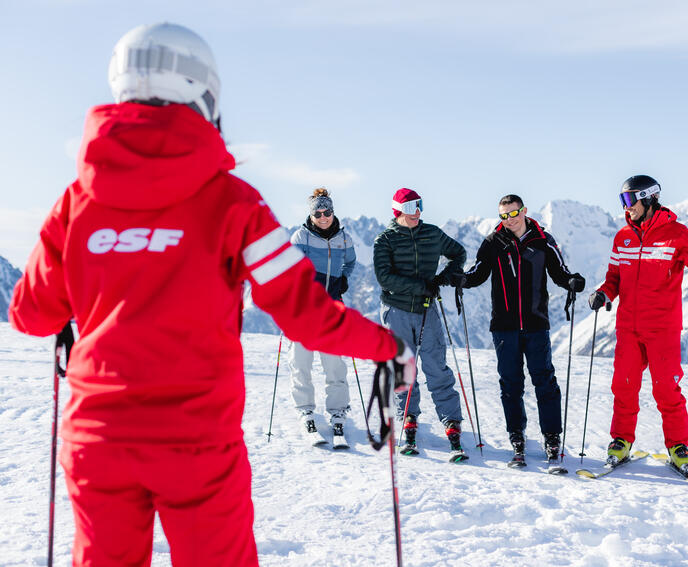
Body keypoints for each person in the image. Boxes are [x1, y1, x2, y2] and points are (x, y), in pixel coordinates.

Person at [7, 23, 413, 566]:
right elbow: (305, 314)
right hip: (194, 441)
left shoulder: (76, 203)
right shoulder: (233, 203)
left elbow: (31, 315)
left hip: (96, 439)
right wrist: (386, 346)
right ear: (204, 95)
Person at [587, 175, 688, 473]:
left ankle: (678, 447)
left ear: (649, 198)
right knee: (624, 386)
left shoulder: (676, 234)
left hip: (663, 327)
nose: (625, 207)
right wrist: (604, 293)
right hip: (628, 326)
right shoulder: (622, 238)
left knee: (667, 389)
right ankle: (621, 441)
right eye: (622, 201)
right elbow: (614, 277)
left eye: (629, 200)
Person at [461, 194, 585, 466]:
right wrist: (462, 280)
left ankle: (552, 436)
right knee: (510, 384)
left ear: (524, 211)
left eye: (513, 213)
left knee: (544, 381)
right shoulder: (493, 243)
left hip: (536, 323)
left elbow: (559, 273)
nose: (510, 219)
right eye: (504, 215)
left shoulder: (543, 240)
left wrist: (572, 281)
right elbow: (478, 273)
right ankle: (516, 435)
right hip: (504, 327)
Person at [373, 188, 468, 457]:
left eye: (420, 205)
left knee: (437, 366)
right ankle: (408, 417)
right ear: (398, 210)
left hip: (428, 310)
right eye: (412, 206)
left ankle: (451, 420)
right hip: (397, 312)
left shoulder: (433, 233)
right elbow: (384, 278)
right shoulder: (385, 241)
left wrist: (442, 279)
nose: (418, 211)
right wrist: (420, 286)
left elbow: (458, 254)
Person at [288, 188, 356, 442]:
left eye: (327, 211)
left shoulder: (344, 239)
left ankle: (338, 413)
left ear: (332, 212)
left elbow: (351, 262)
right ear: (311, 214)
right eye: (318, 212)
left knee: (335, 365)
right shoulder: (301, 237)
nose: (323, 216)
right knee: (301, 363)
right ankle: (305, 411)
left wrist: (343, 281)